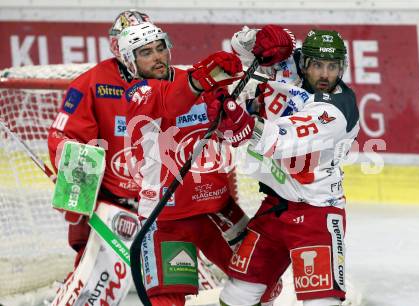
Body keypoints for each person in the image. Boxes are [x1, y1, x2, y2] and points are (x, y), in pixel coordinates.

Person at [46, 10, 244, 305]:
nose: (154, 55)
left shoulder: (179, 78)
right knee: (88, 296)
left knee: (246, 281)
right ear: (122, 49)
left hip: (183, 203)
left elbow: (219, 131)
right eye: (142, 48)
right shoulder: (92, 83)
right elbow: (66, 138)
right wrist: (77, 193)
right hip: (119, 208)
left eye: (157, 45)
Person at [122, 23, 294, 305]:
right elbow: (172, 103)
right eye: (145, 53)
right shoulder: (138, 93)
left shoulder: (196, 77)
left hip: (218, 207)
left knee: (262, 284)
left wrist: (248, 48)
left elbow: (240, 82)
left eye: (160, 48)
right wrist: (200, 80)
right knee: (166, 299)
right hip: (167, 216)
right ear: (131, 61)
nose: (156, 57)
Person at [204, 28, 359, 306]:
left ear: (343, 68)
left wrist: (244, 123)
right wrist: (262, 38)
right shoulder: (289, 65)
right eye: (317, 65)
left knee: (321, 303)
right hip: (274, 209)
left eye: (332, 67)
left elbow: (279, 140)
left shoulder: (336, 111)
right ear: (303, 62)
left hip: (316, 215)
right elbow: (241, 47)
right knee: (237, 294)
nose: (324, 75)